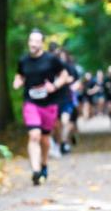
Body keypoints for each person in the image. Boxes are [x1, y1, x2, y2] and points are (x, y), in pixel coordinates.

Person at [12, 30, 71, 186]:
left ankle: (44, 164)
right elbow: (20, 75)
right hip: (31, 102)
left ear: (42, 43)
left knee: (45, 139)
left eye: (36, 41)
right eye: (31, 41)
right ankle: (36, 171)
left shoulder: (51, 60)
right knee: (34, 135)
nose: (33, 44)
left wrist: (55, 85)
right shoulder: (23, 60)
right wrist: (17, 81)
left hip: (49, 104)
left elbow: (64, 75)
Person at [54, 49, 79, 155]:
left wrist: (74, 86)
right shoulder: (51, 68)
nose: (61, 59)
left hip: (66, 99)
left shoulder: (70, 68)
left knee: (65, 121)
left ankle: (64, 143)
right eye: (59, 56)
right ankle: (59, 144)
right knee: (56, 125)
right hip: (54, 100)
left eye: (63, 56)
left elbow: (77, 80)